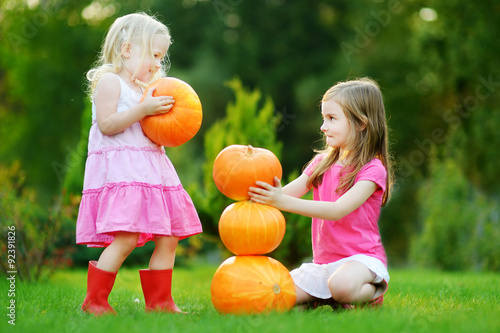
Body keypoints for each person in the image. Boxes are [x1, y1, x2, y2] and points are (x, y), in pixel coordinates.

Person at [76, 12, 202, 316]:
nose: (158, 64)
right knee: (127, 237)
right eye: (154, 55)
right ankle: (95, 300)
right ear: (127, 49)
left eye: (162, 57)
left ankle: (160, 303)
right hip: (124, 174)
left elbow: (153, 131)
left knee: (169, 236)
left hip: (152, 173)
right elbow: (107, 124)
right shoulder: (110, 82)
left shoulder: (147, 91)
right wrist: (144, 109)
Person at [249, 78, 393, 310]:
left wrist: (281, 201)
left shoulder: (372, 170)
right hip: (323, 265)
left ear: (361, 123)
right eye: (323, 118)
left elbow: (337, 211)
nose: (323, 126)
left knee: (342, 286)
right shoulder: (322, 162)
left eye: (332, 119)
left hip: (361, 262)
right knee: (276, 296)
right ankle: (327, 298)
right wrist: (261, 195)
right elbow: (286, 193)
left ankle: (373, 292)